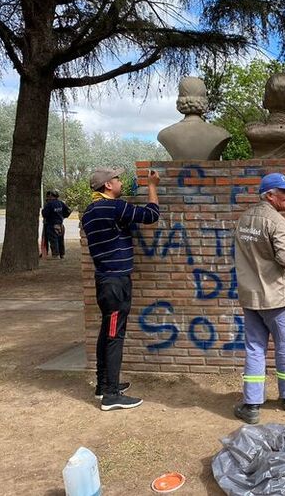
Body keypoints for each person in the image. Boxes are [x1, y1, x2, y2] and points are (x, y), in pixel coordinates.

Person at [81, 167, 160, 411]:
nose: (120, 182)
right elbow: (151, 215)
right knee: (115, 335)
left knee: (107, 331)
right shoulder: (114, 207)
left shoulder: (89, 212)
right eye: (116, 179)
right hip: (116, 284)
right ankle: (111, 395)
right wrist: (152, 186)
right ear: (107, 186)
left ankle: (103, 385)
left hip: (105, 281)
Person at [233, 172, 285, 424]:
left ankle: (251, 405)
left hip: (251, 297)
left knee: (254, 348)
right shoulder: (277, 221)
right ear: (270, 195)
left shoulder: (243, 219)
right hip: (277, 299)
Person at [41, 190, 72, 259]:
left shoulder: (49, 204)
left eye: (48, 196)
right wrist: (63, 217)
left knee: (53, 240)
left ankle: (55, 255)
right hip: (60, 225)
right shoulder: (61, 203)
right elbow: (68, 211)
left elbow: (44, 214)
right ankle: (62, 254)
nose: (47, 197)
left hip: (51, 225)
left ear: (51, 196)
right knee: (60, 240)